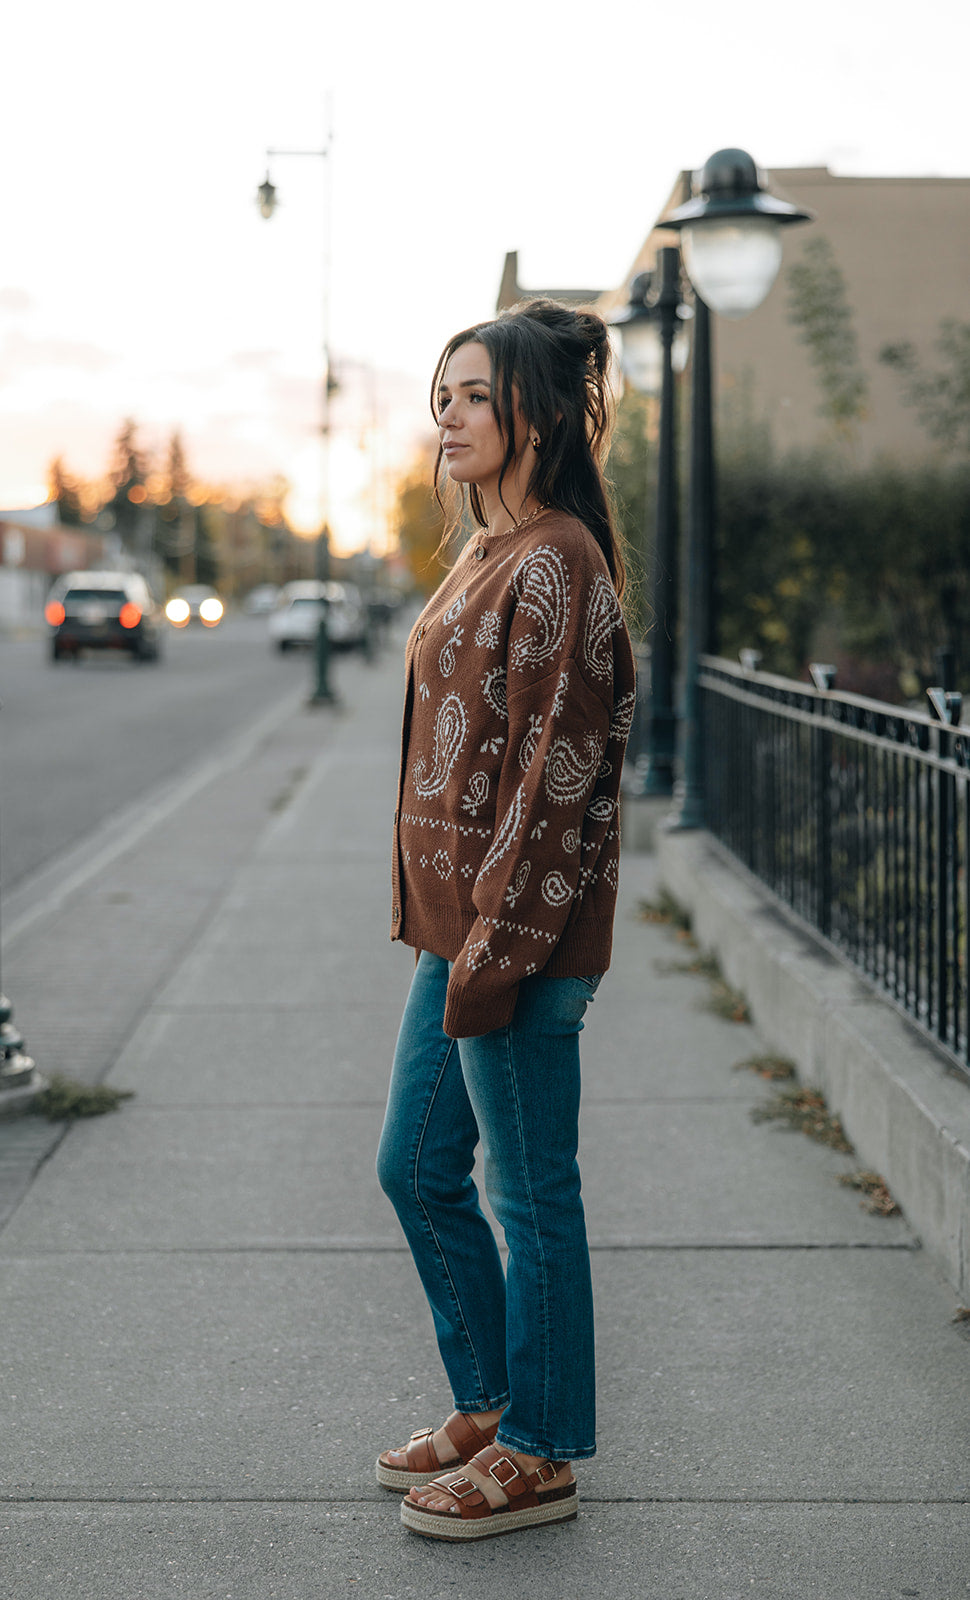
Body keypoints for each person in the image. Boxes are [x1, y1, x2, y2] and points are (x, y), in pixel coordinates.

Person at [376, 299, 637, 1541]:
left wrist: (496, 951)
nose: (449, 416)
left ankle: (539, 1448)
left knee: (531, 1194)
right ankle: (491, 1401)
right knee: (416, 1167)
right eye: (444, 396)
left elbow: (553, 776)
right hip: (460, 933)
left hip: (514, 940)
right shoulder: (490, 547)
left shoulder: (557, 561)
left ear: (535, 413)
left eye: (475, 395)